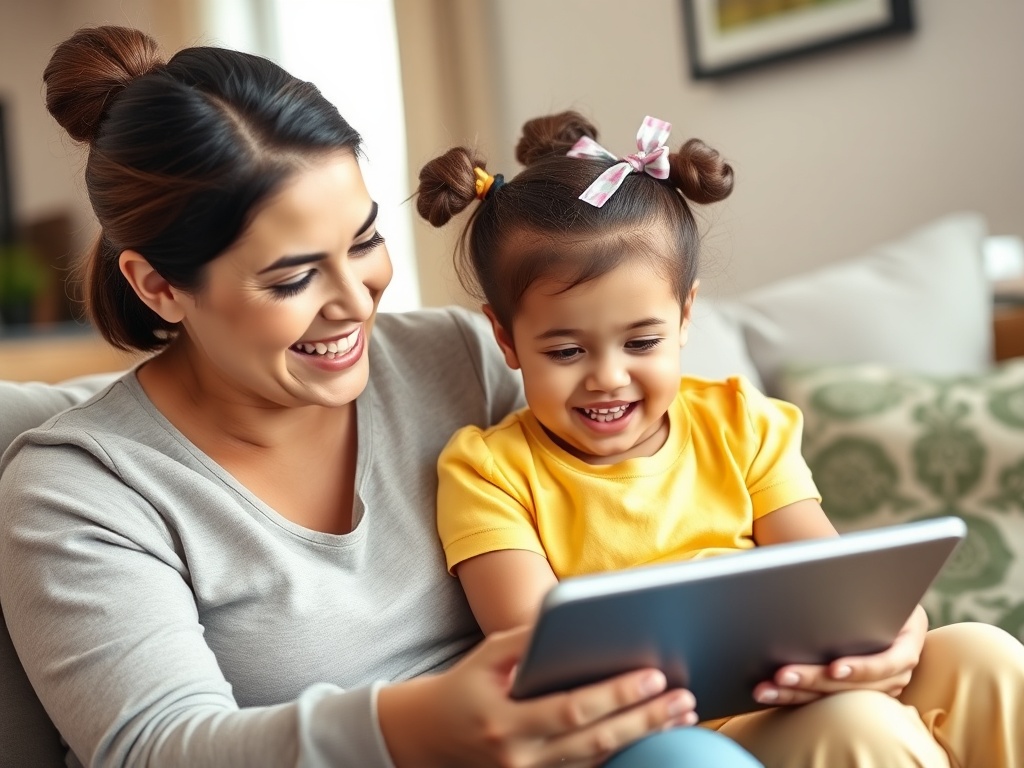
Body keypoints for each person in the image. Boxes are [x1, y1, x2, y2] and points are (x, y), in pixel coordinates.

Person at [0, 25, 766, 768]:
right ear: (159, 286)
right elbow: (153, 748)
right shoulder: (81, 491)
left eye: (364, 241)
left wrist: (834, 631)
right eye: (293, 278)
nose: (355, 302)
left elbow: (673, 500)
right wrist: (413, 728)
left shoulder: (455, 361)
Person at [415, 110, 1024, 767]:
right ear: (505, 338)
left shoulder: (741, 423)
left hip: (793, 688)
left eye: (641, 342)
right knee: (859, 727)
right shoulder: (488, 471)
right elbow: (541, 656)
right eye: (565, 351)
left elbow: (835, 583)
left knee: (986, 654)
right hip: (668, 732)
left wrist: (892, 633)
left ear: (685, 316)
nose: (608, 378)